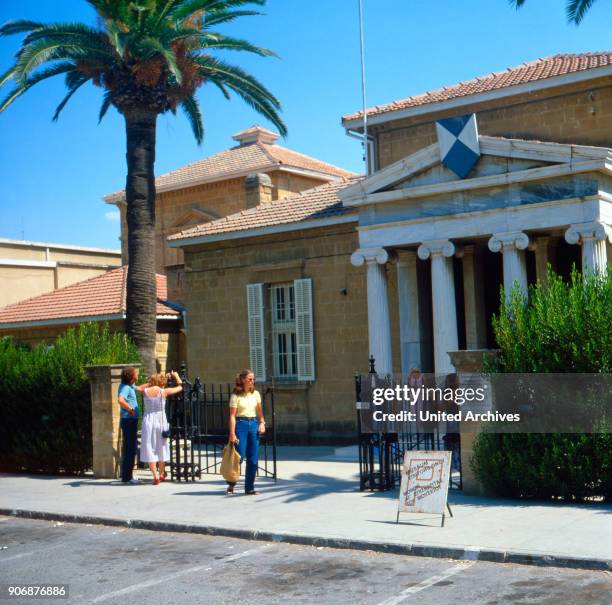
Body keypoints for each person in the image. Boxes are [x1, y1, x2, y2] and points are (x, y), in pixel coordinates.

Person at [226, 369, 266, 496]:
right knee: (239, 456)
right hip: (241, 424)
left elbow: (259, 412)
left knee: (253, 458)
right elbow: (232, 416)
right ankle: (231, 482)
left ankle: (249, 488)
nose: (252, 381)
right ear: (242, 380)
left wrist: (262, 423)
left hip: (254, 424)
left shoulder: (256, 394)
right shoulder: (235, 395)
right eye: (249, 379)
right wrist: (232, 433)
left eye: (253, 379)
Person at [140, 371, 183, 485]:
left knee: (149, 446)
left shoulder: (145, 392)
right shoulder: (164, 392)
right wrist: (176, 377)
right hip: (160, 420)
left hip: (148, 420)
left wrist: (152, 382)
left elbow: (140, 387)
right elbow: (180, 387)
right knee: (161, 446)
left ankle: (155, 476)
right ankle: (162, 473)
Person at [117, 366, 141, 485]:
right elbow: (120, 400)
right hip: (129, 420)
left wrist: (153, 383)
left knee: (131, 448)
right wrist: (130, 409)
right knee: (130, 449)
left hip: (130, 421)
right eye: (136, 373)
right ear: (130, 376)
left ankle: (128, 475)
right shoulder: (126, 388)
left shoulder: (129, 386)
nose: (137, 374)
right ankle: (127, 477)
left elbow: (141, 388)